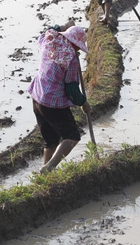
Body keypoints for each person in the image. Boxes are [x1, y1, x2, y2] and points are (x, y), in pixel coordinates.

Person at [28, 23, 92, 173]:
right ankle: (50, 168)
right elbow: (71, 89)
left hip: (37, 97)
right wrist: (83, 102)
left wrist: (62, 26)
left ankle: (44, 174)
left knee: (50, 141)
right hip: (52, 103)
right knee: (72, 137)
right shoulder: (71, 60)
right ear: (76, 45)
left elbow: (49, 29)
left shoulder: (49, 41)